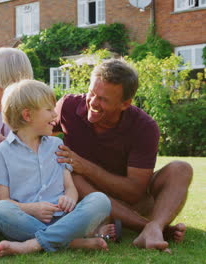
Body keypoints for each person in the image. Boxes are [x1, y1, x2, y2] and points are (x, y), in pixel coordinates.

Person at [53, 59, 193, 252]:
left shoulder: (144, 127)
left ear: (125, 104)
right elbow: (38, 131)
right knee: (72, 176)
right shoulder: (68, 106)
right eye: (92, 93)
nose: (93, 103)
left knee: (181, 169)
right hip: (86, 201)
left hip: (132, 203)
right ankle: (151, 229)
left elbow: (134, 191)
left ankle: (153, 226)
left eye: (103, 99)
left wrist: (86, 166)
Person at [0, 79, 112, 257]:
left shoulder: (56, 145)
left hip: (65, 218)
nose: (55, 115)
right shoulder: (1, 153)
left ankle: (33, 244)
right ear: (27, 115)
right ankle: (72, 241)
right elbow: (3, 201)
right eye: (49, 110)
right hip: (26, 220)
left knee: (101, 200)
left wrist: (70, 197)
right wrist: (31, 209)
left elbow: (69, 187)